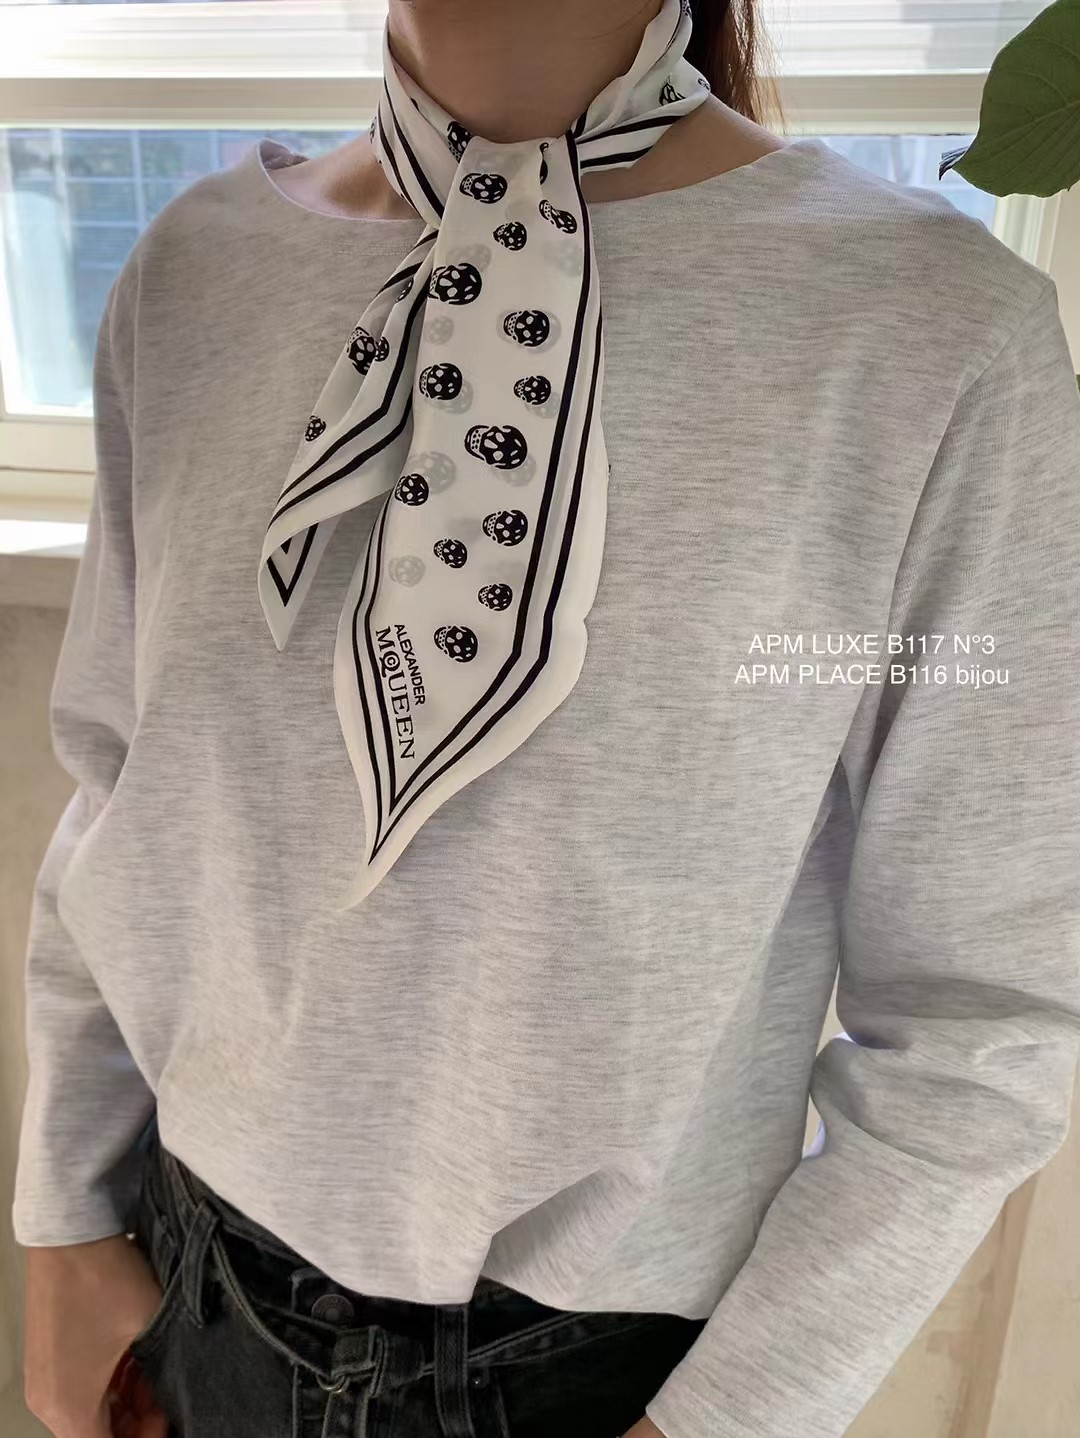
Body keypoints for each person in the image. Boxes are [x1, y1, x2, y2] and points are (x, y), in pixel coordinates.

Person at [15, 0, 1080, 1435]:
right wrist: (65, 1208)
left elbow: (983, 1012)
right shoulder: (195, 268)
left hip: (602, 1373)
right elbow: (116, 788)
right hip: (190, 1288)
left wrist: (731, 1419)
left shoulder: (929, 333)